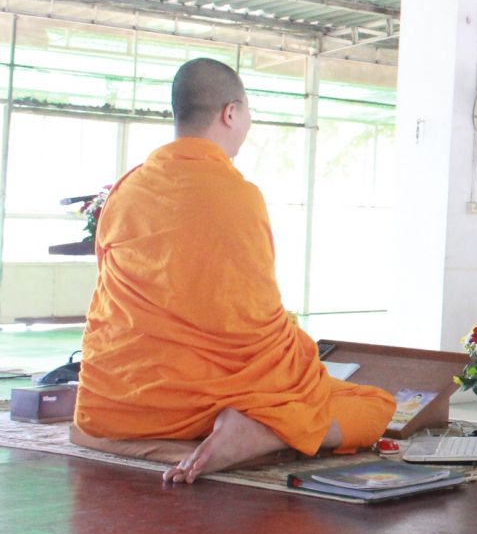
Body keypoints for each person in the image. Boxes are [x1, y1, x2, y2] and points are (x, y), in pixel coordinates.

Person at [74, 58, 395, 481]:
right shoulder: (240, 196)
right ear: (230, 113)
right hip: (220, 396)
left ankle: (189, 442)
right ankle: (263, 434)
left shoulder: (126, 191)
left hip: (124, 402)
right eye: (247, 113)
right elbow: (255, 317)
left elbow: (110, 294)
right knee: (375, 406)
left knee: (88, 426)